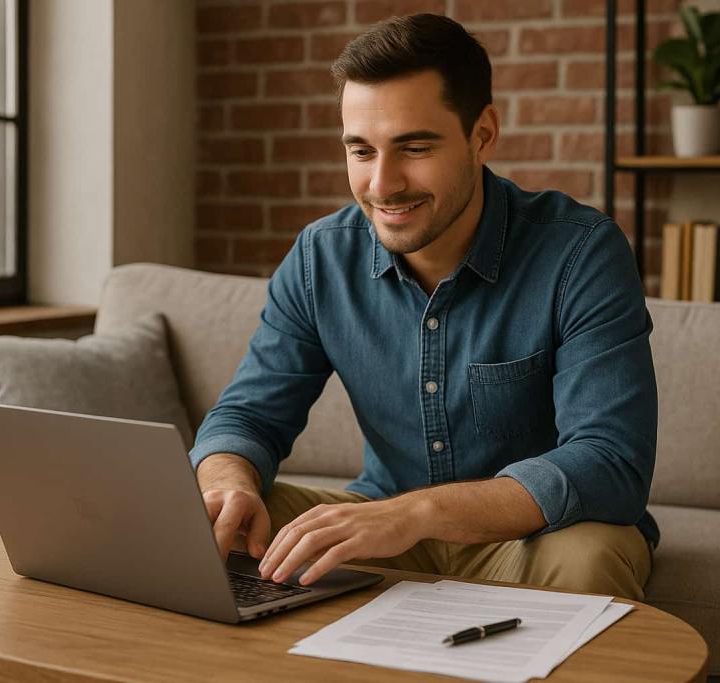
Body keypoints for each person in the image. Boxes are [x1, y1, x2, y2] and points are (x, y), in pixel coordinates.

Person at [191, 13, 659, 601]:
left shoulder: (580, 252)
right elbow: (248, 418)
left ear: (483, 133)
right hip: (379, 520)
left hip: (530, 538)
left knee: (589, 559)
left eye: (414, 147)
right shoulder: (321, 258)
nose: (383, 185)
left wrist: (415, 514)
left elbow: (610, 463)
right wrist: (227, 484)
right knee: (220, 527)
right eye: (361, 151)